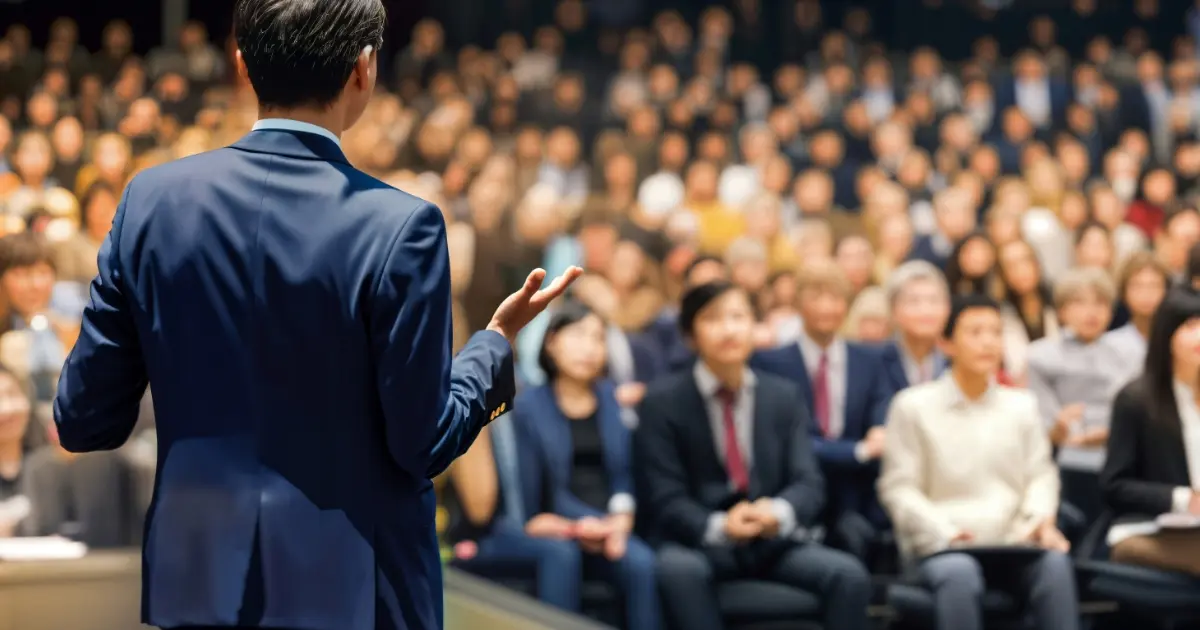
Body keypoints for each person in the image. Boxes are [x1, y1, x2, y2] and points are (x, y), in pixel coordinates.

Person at [51, 2, 580, 629]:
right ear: (363, 70)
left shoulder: (150, 201)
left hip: (196, 583)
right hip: (356, 591)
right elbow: (424, 441)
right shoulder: (401, 227)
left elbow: (83, 419)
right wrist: (493, 346)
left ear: (241, 66)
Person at [635, 281, 872, 630]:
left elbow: (808, 481)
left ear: (755, 327)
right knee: (679, 571)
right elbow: (664, 495)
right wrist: (719, 525)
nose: (729, 329)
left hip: (769, 537)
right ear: (690, 334)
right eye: (713, 319)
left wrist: (777, 512)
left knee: (848, 575)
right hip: (697, 540)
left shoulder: (782, 396)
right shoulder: (662, 402)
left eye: (738, 316)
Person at [878, 294, 1079, 630]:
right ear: (946, 343)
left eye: (996, 332)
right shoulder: (913, 406)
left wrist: (1038, 521)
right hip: (943, 546)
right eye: (975, 332)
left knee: (1055, 565)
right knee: (959, 572)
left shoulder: (1021, 405)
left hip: (1013, 542)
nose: (988, 342)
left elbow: (1041, 475)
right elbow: (899, 489)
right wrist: (946, 532)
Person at [514, 302, 660, 630]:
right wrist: (588, 525)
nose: (590, 349)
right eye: (579, 336)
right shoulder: (528, 407)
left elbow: (623, 475)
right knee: (562, 557)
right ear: (551, 341)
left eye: (598, 338)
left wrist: (621, 518)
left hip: (611, 527)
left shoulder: (610, 398)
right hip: (558, 523)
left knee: (642, 563)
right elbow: (541, 494)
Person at [753, 261, 893, 562]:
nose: (827, 308)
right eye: (816, 297)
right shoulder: (770, 363)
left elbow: (881, 403)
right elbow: (791, 438)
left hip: (856, 495)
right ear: (798, 302)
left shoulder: (870, 358)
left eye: (836, 298)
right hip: (794, 487)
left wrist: (879, 430)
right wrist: (858, 450)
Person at [1101, 287, 1200, 575]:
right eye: (1190, 326)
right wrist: (1186, 499)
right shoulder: (1136, 400)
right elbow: (1114, 486)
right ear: (1166, 334)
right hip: (1147, 529)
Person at [1026, 268, 1124, 523]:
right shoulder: (1040, 356)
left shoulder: (1128, 355)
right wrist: (1061, 428)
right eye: (1079, 302)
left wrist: (1113, 433)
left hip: (1120, 453)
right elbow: (1042, 423)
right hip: (1066, 455)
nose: (1091, 312)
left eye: (1100, 303)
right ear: (1062, 311)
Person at [880, 260, 951, 394]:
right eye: (914, 301)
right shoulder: (875, 363)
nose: (926, 310)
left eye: (934, 300)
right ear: (893, 310)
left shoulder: (955, 364)